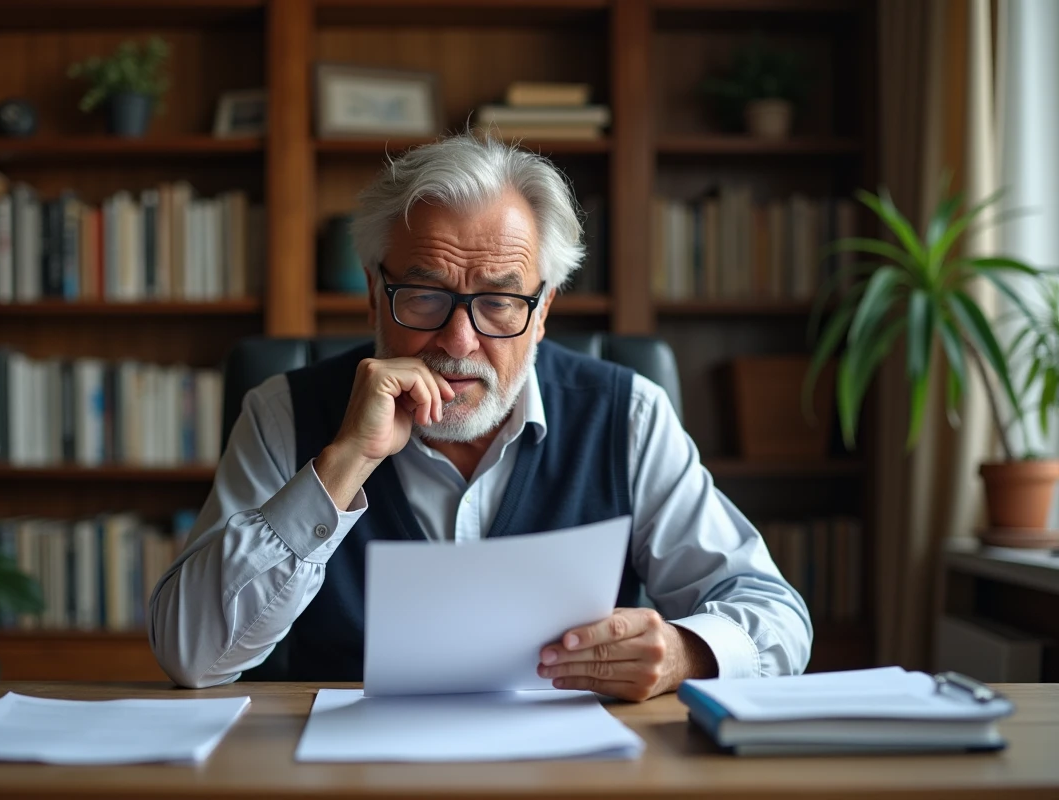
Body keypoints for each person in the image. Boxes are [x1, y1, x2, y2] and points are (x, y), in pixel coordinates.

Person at [148, 133, 812, 700]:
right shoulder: (283, 414)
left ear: (544, 309)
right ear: (375, 294)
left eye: (499, 302)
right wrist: (343, 462)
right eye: (427, 295)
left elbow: (775, 615)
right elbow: (192, 656)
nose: (458, 343)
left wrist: (687, 652)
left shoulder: (628, 415)